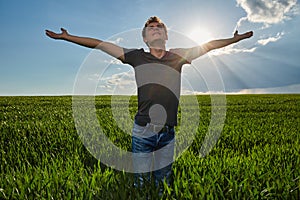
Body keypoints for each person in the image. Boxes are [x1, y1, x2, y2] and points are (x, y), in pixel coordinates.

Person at [46, 16, 253, 195]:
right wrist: (68, 37)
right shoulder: (137, 56)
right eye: (151, 28)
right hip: (143, 131)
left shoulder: (178, 56)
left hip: (168, 133)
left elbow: (209, 45)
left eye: (159, 27)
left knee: (163, 185)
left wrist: (235, 39)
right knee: (142, 184)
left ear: (166, 35)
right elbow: (100, 44)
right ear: (145, 38)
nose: (155, 29)